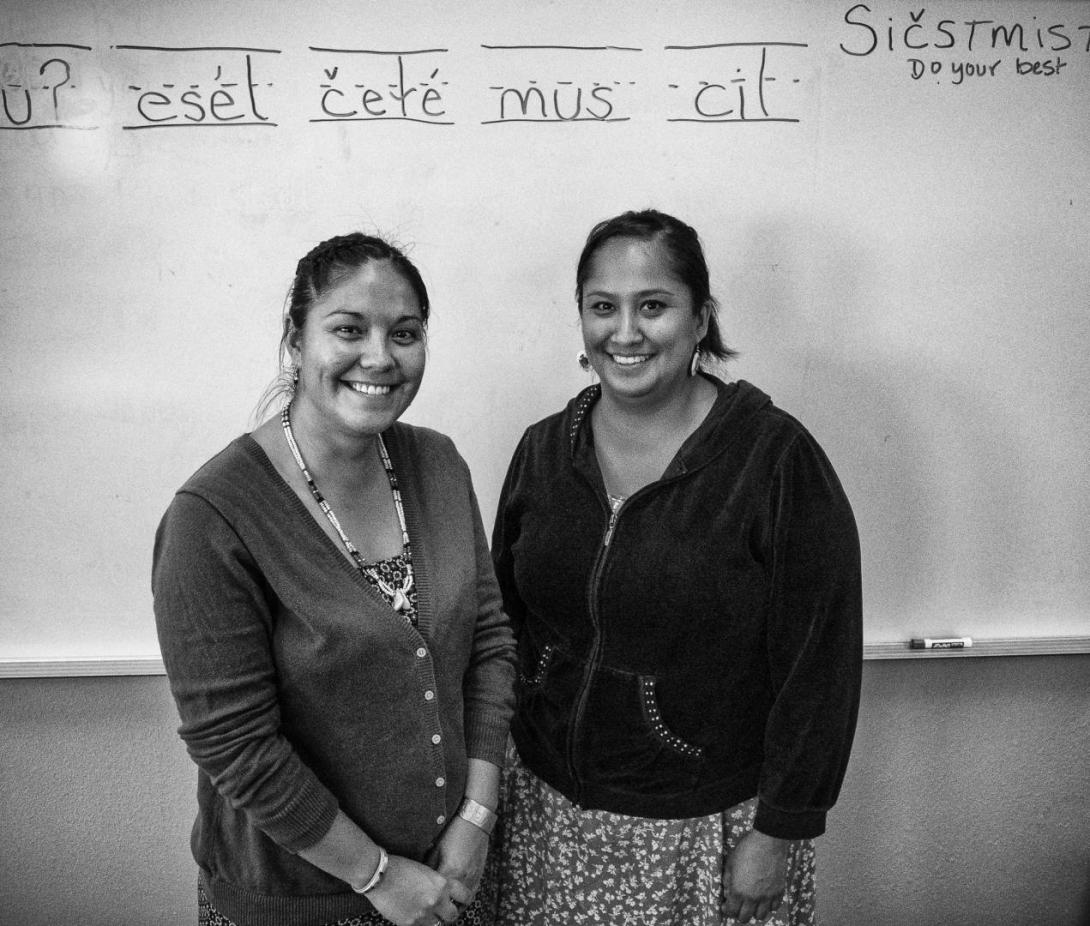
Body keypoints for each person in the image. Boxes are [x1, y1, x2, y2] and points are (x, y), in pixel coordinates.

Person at [489, 210, 862, 925]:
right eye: (603, 308)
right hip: (546, 812)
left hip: (703, 827)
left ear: (700, 321)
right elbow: (502, 623)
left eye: (653, 306)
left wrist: (780, 831)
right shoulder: (542, 451)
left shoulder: (774, 460)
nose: (624, 333)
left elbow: (821, 664)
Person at [153, 233, 516, 926]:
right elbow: (238, 747)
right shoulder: (213, 517)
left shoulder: (438, 465)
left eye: (404, 333)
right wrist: (378, 877)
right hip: (299, 900)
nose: (379, 356)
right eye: (349, 329)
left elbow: (490, 645)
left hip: (447, 879)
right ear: (296, 341)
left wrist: (476, 813)